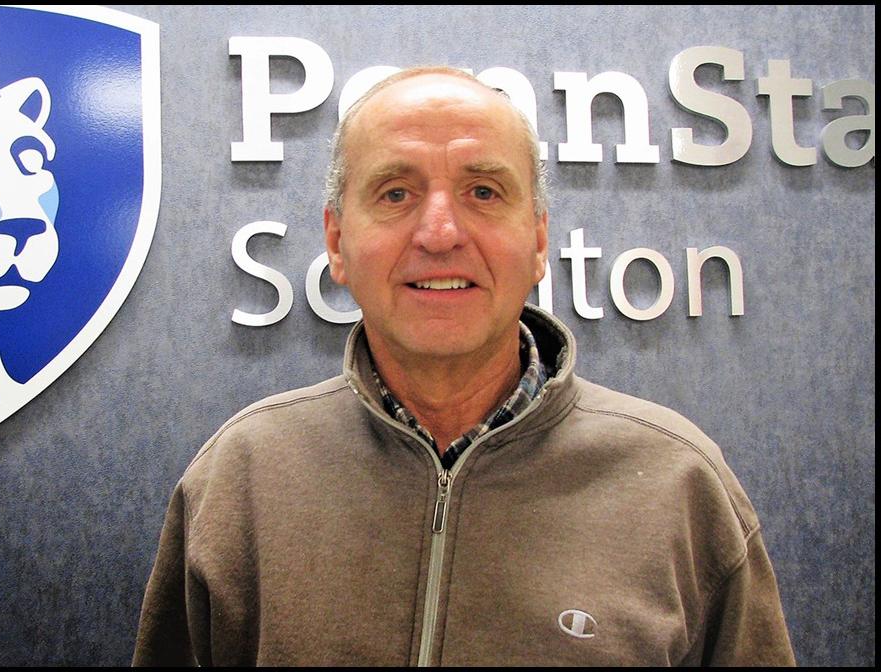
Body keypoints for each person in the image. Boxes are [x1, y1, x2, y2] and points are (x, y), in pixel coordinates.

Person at [133, 67, 796, 666]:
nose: (440, 232)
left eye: (482, 191)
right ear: (337, 242)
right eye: (394, 194)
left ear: (537, 242)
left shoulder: (678, 485)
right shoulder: (240, 476)